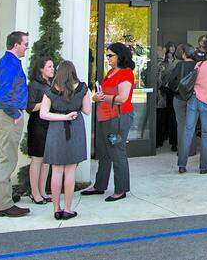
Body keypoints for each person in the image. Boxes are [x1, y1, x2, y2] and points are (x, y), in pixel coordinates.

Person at [83, 42, 135, 202]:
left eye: (110, 55)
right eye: (107, 55)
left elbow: (122, 98)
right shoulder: (111, 72)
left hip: (118, 119)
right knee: (104, 153)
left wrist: (103, 97)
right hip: (105, 117)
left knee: (117, 151)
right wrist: (97, 97)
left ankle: (121, 189)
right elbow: (103, 93)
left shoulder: (126, 73)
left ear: (120, 56)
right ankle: (100, 185)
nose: (108, 58)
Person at [38, 60, 90, 220]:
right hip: (75, 129)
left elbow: (43, 114)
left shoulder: (51, 91)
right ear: (73, 72)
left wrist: (61, 116)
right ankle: (68, 209)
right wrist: (71, 112)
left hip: (56, 131)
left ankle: (56, 209)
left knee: (56, 171)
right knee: (70, 172)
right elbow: (87, 111)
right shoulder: (82, 88)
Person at [0, 30, 30, 218]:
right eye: (25, 44)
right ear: (16, 45)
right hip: (8, 116)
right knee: (6, 159)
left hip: (7, 114)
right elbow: (3, 94)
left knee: (3, 157)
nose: (26, 48)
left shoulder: (9, 62)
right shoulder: (10, 64)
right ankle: (4, 205)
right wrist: (15, 113)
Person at [178, 40, 207, 174]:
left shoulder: (199, 63)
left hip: (193, 99)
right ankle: (204, 167)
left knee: (188, 131)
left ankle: (182, 164)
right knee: (206, 134)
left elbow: (193, 80)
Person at [25, 56, 54, 205]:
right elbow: (29, 107)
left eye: (52, 66)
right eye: (49, 67)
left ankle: (42, 191)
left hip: (49, 124)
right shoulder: (34, 85)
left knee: (46, 161)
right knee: (37, 159)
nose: (52, 69)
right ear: (41, 69)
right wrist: (45, 102)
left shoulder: (51, 84)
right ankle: (34, 193)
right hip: (37, 125)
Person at [164, 43, 197, 157]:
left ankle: (183, 150)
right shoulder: (198, 65)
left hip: (179, 98)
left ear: (183, 54)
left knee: (181, 124)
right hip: (193, 97)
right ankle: (192, 150)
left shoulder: (179, 65)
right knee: (191, 124)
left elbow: (170, 81)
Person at [155, 42, 177, 150]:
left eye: (173, 46)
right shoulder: (162, 63)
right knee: (165, 114)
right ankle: (164, 136)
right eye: (170, 46)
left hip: (174, 91)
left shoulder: (178, 62)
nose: (172, 48)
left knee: (172, 114)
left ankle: (172, 139)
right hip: (164, 91)